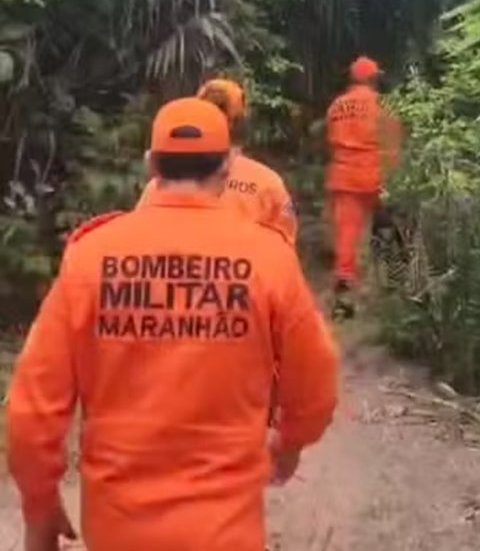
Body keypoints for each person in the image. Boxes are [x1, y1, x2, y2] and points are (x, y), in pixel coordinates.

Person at [5, 97, 340, 551]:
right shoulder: (269, 258)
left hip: (118, 528)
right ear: (227, 167)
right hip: (227, 532)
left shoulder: (91, 256)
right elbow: (316, 380)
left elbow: (34, 409)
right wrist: (290, 441)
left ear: (150, 166)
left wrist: (40, 510)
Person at [138, 77, 298, 247]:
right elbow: (284, 249)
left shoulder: (161, 184)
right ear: (241, 123)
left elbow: (141, 241)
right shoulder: (268, 183)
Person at [325, 55, 404, 318]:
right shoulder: (382, 106)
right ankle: (392, 287)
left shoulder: (336, 106)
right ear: (373, 78)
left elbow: (331, 141)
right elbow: (392, 147)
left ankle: (344, 300)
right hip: (375, 178)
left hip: (344, 178)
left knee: (347, 240)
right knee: (388, 232)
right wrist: (393, 179)